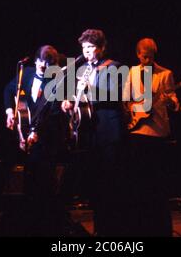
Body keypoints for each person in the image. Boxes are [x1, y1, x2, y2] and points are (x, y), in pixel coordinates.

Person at [61, 29, 128, 236]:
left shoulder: (114, 67)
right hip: (91, 132)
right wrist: (70, 101)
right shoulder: (82, 69)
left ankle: (114, 229)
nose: (86, 51)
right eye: (84, 48)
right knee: (97, 183)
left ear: (101, 48)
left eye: (90, 48)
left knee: (111, 181)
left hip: (108, 130)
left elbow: (113, 97)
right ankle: (101, 228)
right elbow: (82, 99)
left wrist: (89, 88)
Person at [3, 45, 66, 236]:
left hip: (47, 136)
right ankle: (29, 223)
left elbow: (53, 112)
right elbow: (8, 90)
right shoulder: (27, 73)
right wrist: (9, 112)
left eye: (48, 67)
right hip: (27, 134)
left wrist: (37, 131)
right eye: (41, 66)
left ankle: (47, 225)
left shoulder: (57, 80)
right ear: (36, 61)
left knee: (44, 181)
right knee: (29, 178)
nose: (44, 70)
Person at [123, 37, 179, 236]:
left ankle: (159, 224)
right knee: (138, 179)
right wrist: (133, 111)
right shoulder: (132, 72)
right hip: (137, 131)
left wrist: (169, 102)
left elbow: (174, 100)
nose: (147, 60)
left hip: (157, 132)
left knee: (157, 180)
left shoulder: (165, 74)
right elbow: (126, 99)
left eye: (151, 57)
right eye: (144, 56)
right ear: (138, 54)